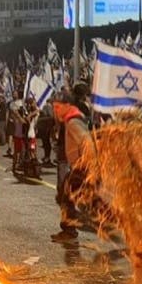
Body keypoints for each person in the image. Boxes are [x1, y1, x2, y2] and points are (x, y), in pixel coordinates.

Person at [50, 91, 93, 242]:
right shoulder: (70, 119)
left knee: (66, 197)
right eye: (53, 107)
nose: (55, 110)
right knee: (66, 195)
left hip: (81, 167)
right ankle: (70, 229)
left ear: (67, 106)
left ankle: (70, 230)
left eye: (58, 107)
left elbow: (87, 143)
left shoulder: (73, 122)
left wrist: (87, 165)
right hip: (78, 167)